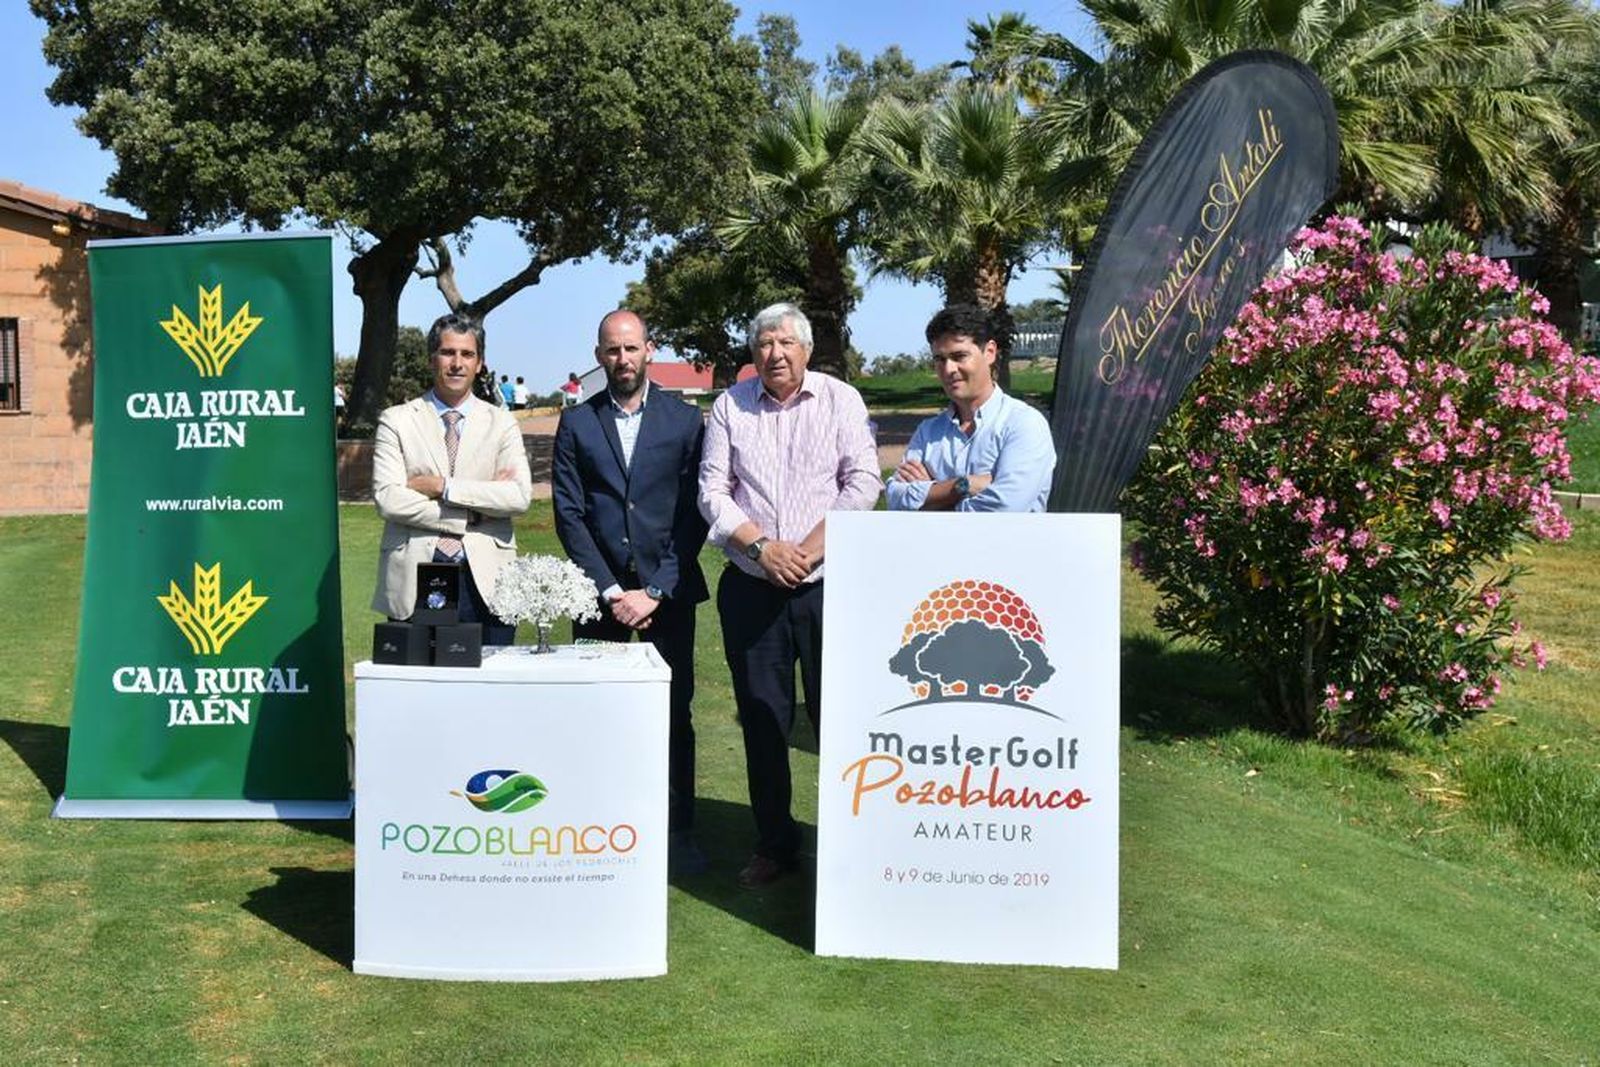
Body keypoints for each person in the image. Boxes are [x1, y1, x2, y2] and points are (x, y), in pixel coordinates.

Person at [699, 301, 882, 888]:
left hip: (827, 586)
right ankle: (775, 844)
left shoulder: (840, 400)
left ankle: (850, 846)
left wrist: (807, 548)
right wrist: (762, 549)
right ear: (753, 353)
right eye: (763, 344)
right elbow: (712, 492)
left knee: (841, 720)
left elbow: (864, 481)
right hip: (753, 589)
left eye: (785, 343)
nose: (774, 354)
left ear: (805, 349)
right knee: (763, 721)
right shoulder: (730, 405)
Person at [553, 310, 711, 875]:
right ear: (599, 355)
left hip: (667, 597)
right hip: (601, 599)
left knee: (673, 713)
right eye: (612, 350)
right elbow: (570, 514)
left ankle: (678, 831)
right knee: (598, 714)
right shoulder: (577, 422)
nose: (622, 360)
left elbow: (696, 512)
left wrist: (657, 589)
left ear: (650, 350)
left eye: (632, 349)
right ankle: (600, 824)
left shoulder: (686, 420)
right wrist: (613, 589)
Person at [371, 312, 533, 644]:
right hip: (414, 577)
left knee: (490, 691)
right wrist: (472, 513)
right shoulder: (397, 421)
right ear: (432, 359)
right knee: (418, 691)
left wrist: (442, 487)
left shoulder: (502, 424)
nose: (457, 363)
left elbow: (517, 497)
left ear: (480, 363)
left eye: (467, 354)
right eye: (448, 352)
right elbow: (388, 498)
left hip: (489, 582)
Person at [886, 304, 1056, 513]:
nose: (948, 369)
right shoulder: (928, 432)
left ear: (990, 352)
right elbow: (895, 498)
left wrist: (932, 499)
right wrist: (963, 485)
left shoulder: (1023, 424)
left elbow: (1004, 509)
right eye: (939, 359)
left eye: (959, 357)